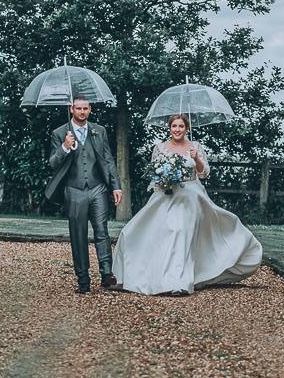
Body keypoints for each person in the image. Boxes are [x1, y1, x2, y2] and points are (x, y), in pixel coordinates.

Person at [112, 114, 262, 295]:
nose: (177, 129)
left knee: (180, 232)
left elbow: (204, 173)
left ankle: (179, 282)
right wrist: (165, 179)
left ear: (187, 128)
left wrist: (196, 158)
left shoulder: (195, 147)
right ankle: (146, 275)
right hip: (166, 195)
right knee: (134, 232)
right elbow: (154, 174)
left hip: (191, 196)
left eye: (181, 126)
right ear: (169, 128)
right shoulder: (159, 148)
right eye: (174, 126)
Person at [46, 97, 123, 294]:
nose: (82, 112)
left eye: (85, 108)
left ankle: (107, 274)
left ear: (90, 110)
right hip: (74, 190)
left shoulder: (99, 131)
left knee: (102, 231)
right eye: (78, 108)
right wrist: (65, 146)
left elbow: (107, 159)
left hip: (97, 187)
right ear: (71, 109)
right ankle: (83, 279)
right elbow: (53, 163)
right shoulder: (59, 133)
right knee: (78, 235)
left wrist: (116, 186)